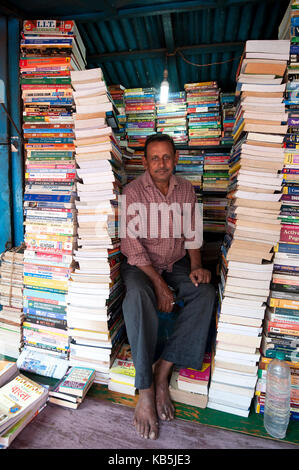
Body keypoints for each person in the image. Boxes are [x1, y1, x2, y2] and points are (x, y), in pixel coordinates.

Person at [120, 133, 216, 440]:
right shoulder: (133, 192)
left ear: (174, 159)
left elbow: (192, 234)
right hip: (142, 266)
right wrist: (160, 286)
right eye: (154, 158)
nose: (161, 164)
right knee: (136, 296)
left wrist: (198, 266)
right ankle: (146, 388)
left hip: (175, 264)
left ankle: (164, 369)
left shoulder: (186, 189)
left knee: (205, 293)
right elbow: (132, 249)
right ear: (145, 162)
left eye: (166, 157)